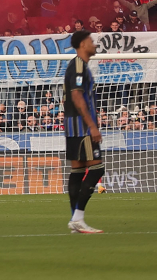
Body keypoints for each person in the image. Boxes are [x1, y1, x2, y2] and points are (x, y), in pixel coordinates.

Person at [64, 30, 104, 234]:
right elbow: (78, 98)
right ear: (82, 44)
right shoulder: (79, 65)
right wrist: (92, 125)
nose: (94, 44)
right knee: (97, 169)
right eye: (91, 40)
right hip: (82, 126)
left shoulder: (77, 65)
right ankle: (78, 218)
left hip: (72, 126)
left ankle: (75, 220)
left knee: (78, 171)